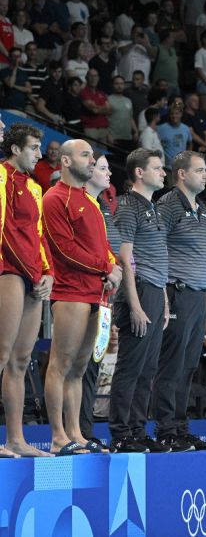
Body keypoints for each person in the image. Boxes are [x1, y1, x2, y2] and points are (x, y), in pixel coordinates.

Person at [42, 140, 121, 456]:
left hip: (96, 294)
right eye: (85, 155)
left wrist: (113, 267)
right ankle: (58, 435)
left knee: (79, 368)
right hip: (71, 292)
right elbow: (64, 248)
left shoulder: (90, 201)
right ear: (65, 160)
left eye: (92, 155)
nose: (92, 160)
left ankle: (75, 432)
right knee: (60, 364)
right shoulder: (55, 198)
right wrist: (106, 266)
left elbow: (103, 248)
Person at [150, 151, 206, 452]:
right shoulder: (167, 205)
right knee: (172, 365)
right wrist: (163, 293)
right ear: (181, 174)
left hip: (198, 296)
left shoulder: (202, 208)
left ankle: (180, 427)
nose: (205, 175)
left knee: (189, 366)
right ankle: (166, 430)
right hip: (177, 293)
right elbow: (153, 246)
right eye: (200, 171)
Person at [107, 149, 169, 454]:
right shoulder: (129, 206)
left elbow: (160, 260)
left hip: (155, 292)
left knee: (148, 368)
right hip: (139, 291)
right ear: (139, 173)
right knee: (132, 366)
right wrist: (134, 304)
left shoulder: (153, 207)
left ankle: (137, 429)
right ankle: (120, 433)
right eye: (158, 168)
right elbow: (125, 257)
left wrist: (165, 301)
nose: (164, 173)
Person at [0, 123, 53, 458]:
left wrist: (46, 272)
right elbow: (3, 230)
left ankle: (16, 439)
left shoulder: (34, 188)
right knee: (1, 353)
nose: (40, 154)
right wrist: (29, 271)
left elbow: (37, 235)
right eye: (34, 147)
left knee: (20, 360)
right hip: (8, 271)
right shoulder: (1, 177)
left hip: (33, 277)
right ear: (16, 149)